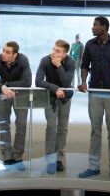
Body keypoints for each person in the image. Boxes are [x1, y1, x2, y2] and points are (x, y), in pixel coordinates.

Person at [78, 17, 110, 182]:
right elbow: (84, 65)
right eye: (93, 25)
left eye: (95, 25)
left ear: (104, 27)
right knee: (95, 131)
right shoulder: (89, 44)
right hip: (94, 93)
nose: (93, 28)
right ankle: (93, 166)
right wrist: (83, 82)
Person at [0, 41, 32, 169]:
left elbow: (27, 82)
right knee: (3, 123)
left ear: (15, 55)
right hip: (3, 92)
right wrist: (2, 87)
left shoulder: (23, 60)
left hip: (21, 93)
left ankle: (17, 156)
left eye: (7, 52)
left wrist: (7, 85)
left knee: (21, 124)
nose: (4, 54)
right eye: (3, 51)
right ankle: (7, 155)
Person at [35, 39, 75, 174]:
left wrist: (58, 66)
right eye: (53, 49)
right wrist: (55, 88)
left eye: (57, 51)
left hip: (65, 99)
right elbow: (38, 81)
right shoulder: (45, 60)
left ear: (64, 54)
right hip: (51, 98)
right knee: (51, 127)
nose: (53, 53)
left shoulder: (70, 62)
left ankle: (59, 158)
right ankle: (50, 160)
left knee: (63, 128)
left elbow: (66, 82)